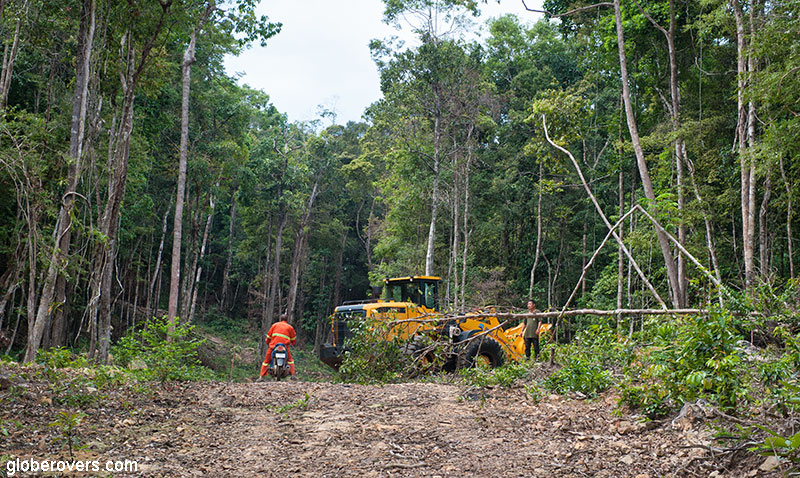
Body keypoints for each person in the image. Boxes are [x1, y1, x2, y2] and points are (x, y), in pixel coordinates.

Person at [259, 313, 297, 379]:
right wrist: (292, 343)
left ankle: (261, 377)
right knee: (290, 360)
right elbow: (293, 338)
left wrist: (268, 343)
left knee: (266, 361)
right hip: (284, 347)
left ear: (280, 319)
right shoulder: (290, 327)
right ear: (287, 320)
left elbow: (268, 337)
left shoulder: (274, 325)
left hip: (273, 346)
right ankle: (293, 375)